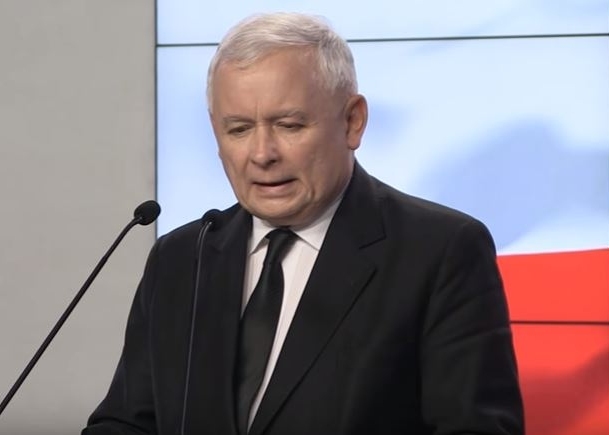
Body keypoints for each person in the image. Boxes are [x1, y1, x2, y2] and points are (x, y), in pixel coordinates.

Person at [83, 12, 524, 435]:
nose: (262, 154)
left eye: (289, 125)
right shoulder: (183, 258)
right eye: (238, 129)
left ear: (352, 122)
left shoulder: (440, 251)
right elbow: (129, 423)